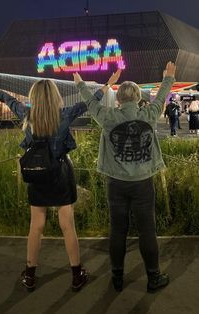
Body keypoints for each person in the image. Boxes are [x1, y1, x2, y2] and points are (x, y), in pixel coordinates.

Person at [0, 75, 103, 292]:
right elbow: (89, 103)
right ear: (55, 96)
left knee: (36, 226)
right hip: (61, 175)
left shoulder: (28, 115)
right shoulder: (64, 115)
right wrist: (107, 86)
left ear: (34, 97)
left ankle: (30, 274)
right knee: (68, 225)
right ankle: (76, 274)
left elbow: (10, 101)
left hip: (37, 175)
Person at [73, 61, 176, 293]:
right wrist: (168, 78)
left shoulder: (107, 117)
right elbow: (161, 99)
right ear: (139, 98)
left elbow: (91, 102)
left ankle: (117, 278)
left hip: (116, 183)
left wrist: (80, 84)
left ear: (118, 99)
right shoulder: (149, 114)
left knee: (117, 229)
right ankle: (153, 277)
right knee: (147, 229)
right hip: (142, 183)